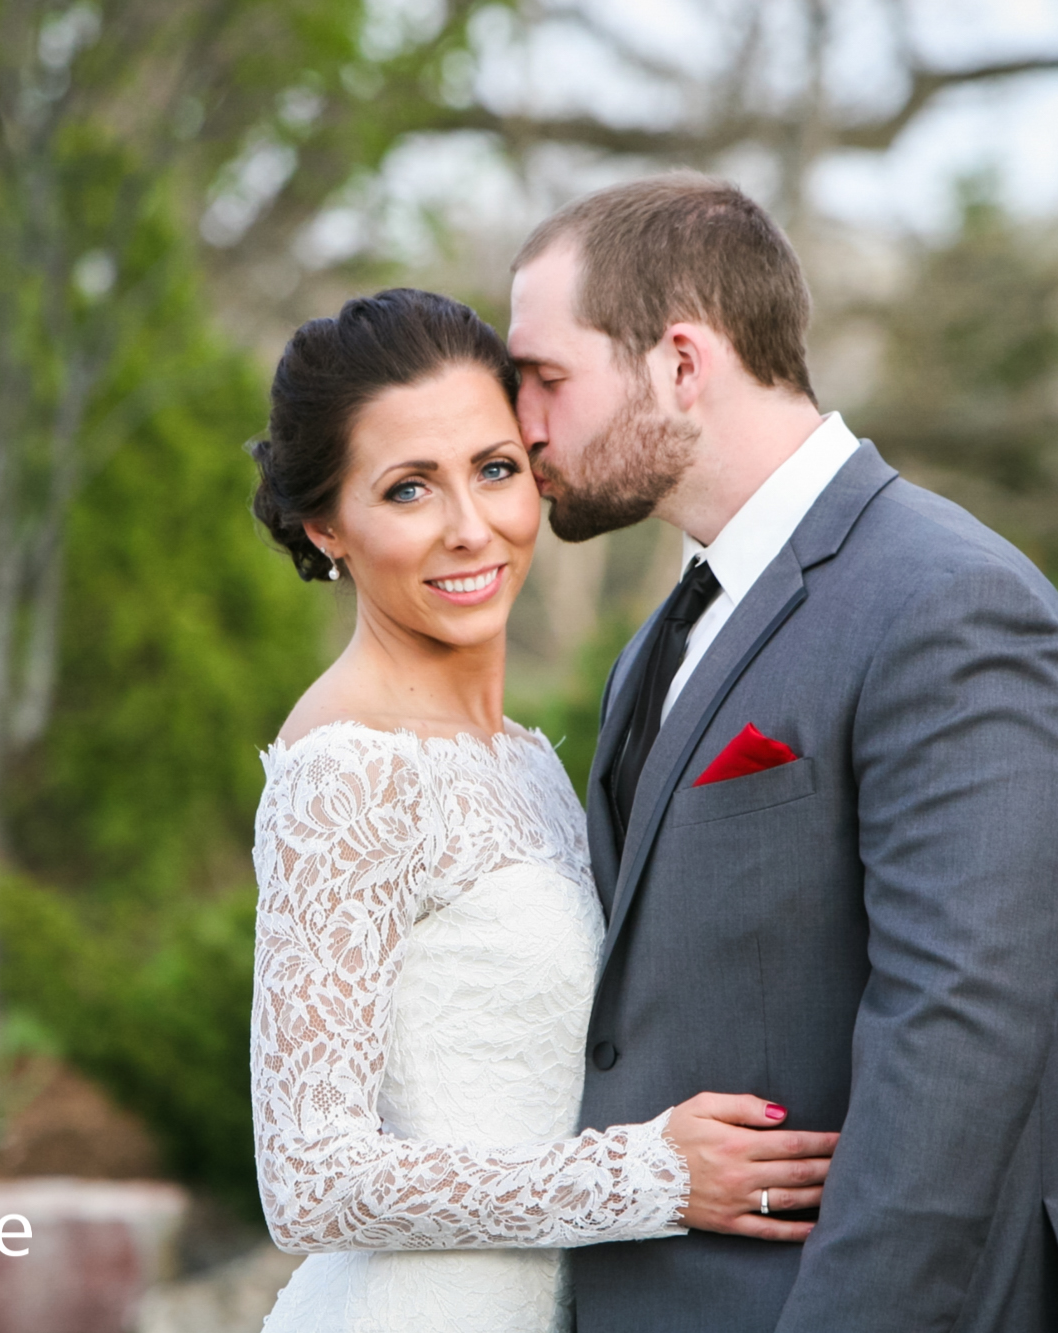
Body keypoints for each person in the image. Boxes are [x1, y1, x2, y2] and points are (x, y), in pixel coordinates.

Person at [506, 172, 1058, 1332]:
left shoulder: (952, 603)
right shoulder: (665, 635)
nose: (523, 421)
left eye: (545, 377)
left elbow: (958, 1041)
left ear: (680, 363)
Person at [245, 287, 837, 1333]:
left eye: (494, 469)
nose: (470, 528)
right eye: (408, 489)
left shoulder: (524, 761)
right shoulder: (344, 771)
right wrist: (649, 1176)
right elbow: (308, 1179)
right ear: (325, 525)